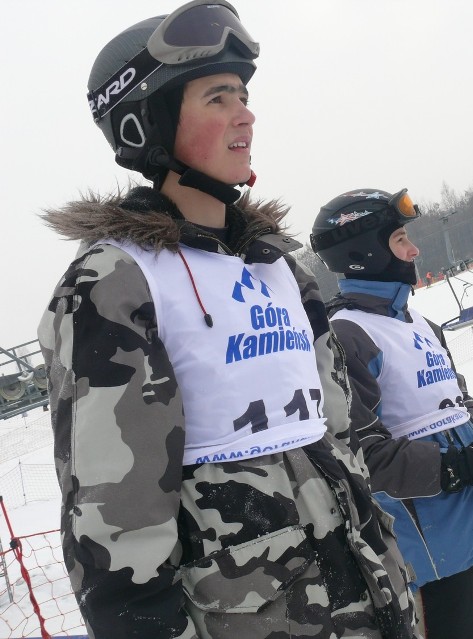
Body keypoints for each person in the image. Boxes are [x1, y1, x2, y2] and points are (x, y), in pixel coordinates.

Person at [36, 3, 416, 638]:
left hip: (369, 604)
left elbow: (340, 433)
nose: (246, 114)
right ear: (146, 126)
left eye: (243, 94)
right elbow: (117, 518)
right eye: (218, 98)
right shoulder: (117, 281)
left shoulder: (279, 270)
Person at [310, 188, 473, 639]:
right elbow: (363, 456)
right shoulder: (346, 337)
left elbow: (457, 410)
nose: (413, 250)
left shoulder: (421, 325)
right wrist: (458, 466)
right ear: (365, 253)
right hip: (429, 551)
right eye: (399, 240)